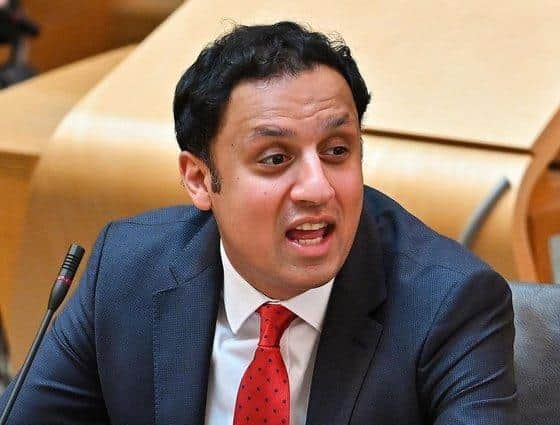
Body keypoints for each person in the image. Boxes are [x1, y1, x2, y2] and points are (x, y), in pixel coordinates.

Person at [0, 21, 517, 424]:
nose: (318, 188)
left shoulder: (449, 303)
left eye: (338, 151)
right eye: (275, 159)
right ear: (201, 180)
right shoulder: (128, 270)